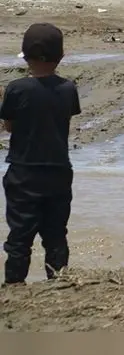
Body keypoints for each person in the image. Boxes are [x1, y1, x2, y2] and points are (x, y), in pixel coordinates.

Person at [0, 23, 81, 285]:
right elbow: (64, 119)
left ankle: (14, 287)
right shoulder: (68, 88)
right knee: (56, 234)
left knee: (19, 237)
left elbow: (10, 126)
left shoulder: (16, 88)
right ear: (61, 56)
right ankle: (58, 282)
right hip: (58, 169)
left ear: (25, 56)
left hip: (23, 171)